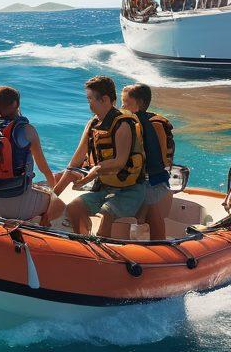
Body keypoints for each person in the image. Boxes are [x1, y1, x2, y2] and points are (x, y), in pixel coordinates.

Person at [54, 75, 146, 237]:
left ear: (104, 100)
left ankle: (102, 247)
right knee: (74, 207)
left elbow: (119, 162)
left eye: (90, 99)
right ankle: (85, 239)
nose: (88, 104)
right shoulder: (93, 124)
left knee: (106, 213)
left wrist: (89, 177)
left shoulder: (123, 125)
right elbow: (76, 160)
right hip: (104, 187)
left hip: (129, 190)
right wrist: (53, 197)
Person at [0, 85, 65, 226]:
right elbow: (44, 169)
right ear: (15, 104)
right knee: (60, 205)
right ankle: (40, 226)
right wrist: (54, 194)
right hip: (21, 202)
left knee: (36, 190)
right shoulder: (27, 130)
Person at [121, 84, 175, 240]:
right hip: (139, 178)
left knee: (150, 207)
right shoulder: (130, 122)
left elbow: (161, 159)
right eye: (122, 102)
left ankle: (160, 242)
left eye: (126, 103)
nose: (122, 106)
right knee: (139, 213)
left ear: (140, 104)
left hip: (154, 180)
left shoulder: (152, 124)